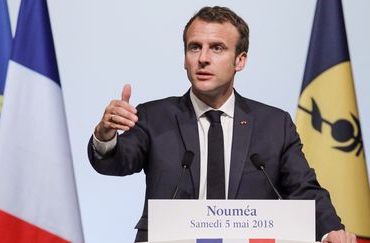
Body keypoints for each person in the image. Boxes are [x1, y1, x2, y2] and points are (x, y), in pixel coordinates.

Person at [87, 6, 356, 243]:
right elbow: (117, 161)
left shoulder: (274, 125)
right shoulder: (153, 116)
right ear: (184, 58)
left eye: (217, 48)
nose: (203, 58)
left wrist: (330, 231)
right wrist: (105, 135)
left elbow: (303, 189)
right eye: (195, 47)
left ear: (240, 60)